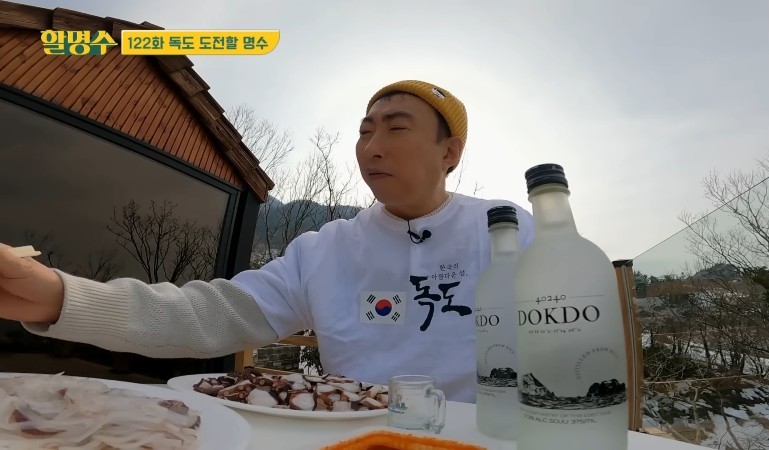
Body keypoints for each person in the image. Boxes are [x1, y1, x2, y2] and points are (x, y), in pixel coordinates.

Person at [0, 80, 533, 403]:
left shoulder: (508, 228)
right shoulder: (325, 250)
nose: (371, 146)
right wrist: (61, 298)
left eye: (396, 128)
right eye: (364, 130)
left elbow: (564, 331)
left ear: (449, 152)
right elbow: (211, 314)